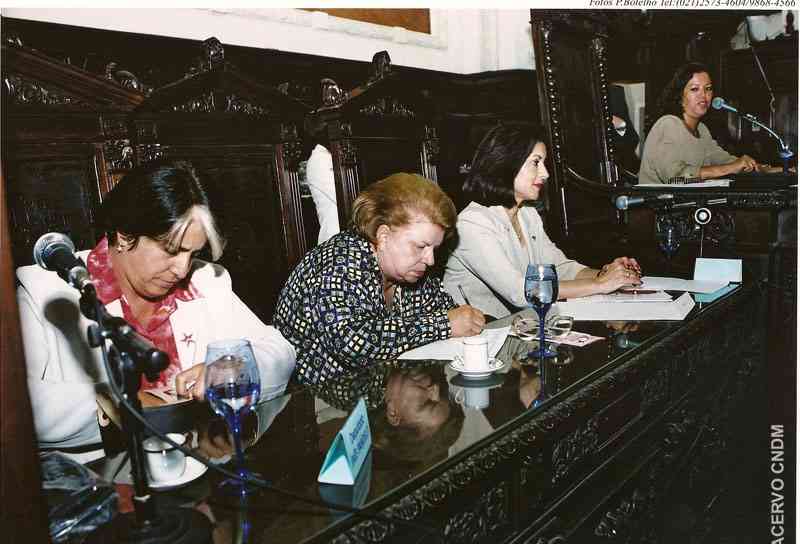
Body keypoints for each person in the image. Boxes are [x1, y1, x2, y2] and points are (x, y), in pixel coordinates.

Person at [16, 160, 296, 461]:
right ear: (124, 236)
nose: (182, 268)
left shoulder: (206, 282)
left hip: (196, 476)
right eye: (172, 250)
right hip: (99, 482)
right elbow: (14, 405)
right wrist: (125, 405)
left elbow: (281, 352)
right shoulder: (43, 293)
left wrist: (235, 369)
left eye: (194, 253)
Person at [274, 172, 485, 385]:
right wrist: (444, 325)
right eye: (420, 246)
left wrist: (462, 320)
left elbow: (445, 311)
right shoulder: (339, 264)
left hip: (383, 390)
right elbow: (354, 344)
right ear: (383, 237)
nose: (430, 260)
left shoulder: (409, 270)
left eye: (434, 248)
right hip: (318, 405)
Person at [443, 124, 642, 320]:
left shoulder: (528, 215)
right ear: (506, 163)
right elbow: (522, 292)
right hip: (475, 340)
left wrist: (608, 274)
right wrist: (601, 284)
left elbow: (561, 268)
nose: (545, 174)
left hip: (516, 330)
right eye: (536, 162)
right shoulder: (471, 224)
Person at [638, 61, 777, 184]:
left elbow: (727, 162)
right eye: (694, 89)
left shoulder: (702, 130)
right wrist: (731, 167)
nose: (703, 95)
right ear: (680, 96)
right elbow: (675, 177)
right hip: (655, 210)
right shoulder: (668, 124)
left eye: (708, 89)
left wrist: (776, 169)